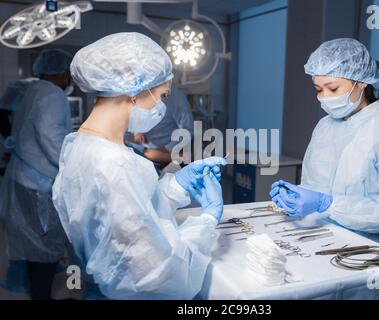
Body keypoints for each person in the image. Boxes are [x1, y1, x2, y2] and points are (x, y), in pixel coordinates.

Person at [51, 32, 226, 300]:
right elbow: (162, 274)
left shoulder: (79, 144)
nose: (162, 106)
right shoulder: (115, 165)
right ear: (136, 89)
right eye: (163, 96)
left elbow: (126, 219)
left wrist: (174, 186)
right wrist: (205, 223)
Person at [270, 38, 379, 246]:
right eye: (318, 89)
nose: (324, 97)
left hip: (362, 248)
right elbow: (313, 186)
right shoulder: (324, 125)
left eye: (332, 88)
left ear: (361, 82)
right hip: (311, 235)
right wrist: (295, 197)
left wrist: (328, 204)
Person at [0, 49, 73, 299]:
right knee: (47, 248)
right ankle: (41, 295)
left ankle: (36, 292)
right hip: (39, 183)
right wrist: (74, 167)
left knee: (33, 244)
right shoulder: (53, 95)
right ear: (63, 73)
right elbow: (51, 138)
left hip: (25, 176)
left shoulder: (33, 89)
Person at [132, 85, 194, 166]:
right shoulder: (140, 91)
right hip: (147, 150)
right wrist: (138, 132)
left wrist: (168, 149)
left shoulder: (175, 97)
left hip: (170, 150)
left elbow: (188, 130)